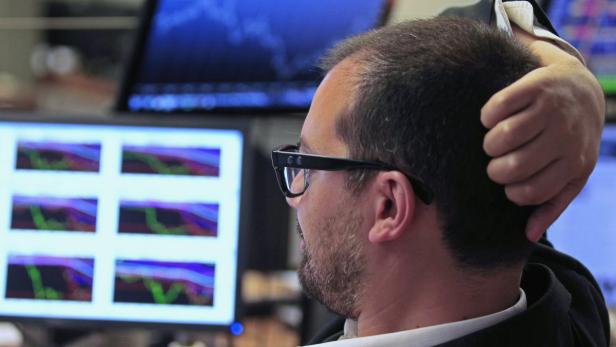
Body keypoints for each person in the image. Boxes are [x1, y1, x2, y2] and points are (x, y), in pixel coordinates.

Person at [271, 17, 609, 346]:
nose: (294, 197)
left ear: (388, 206)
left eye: (308, 164)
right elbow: (478, 19)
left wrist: (567, 71)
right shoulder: (568, 307)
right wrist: (569, 72)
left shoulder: (573, 299)